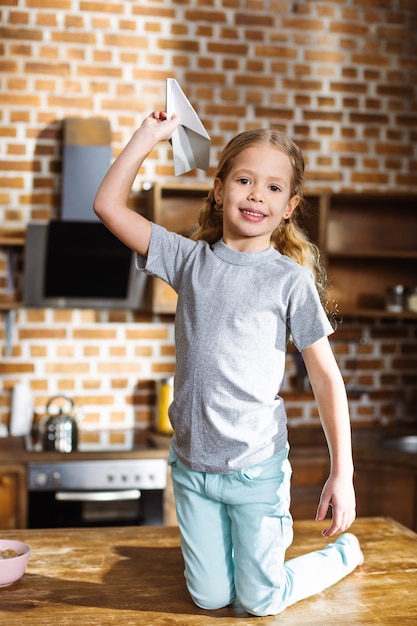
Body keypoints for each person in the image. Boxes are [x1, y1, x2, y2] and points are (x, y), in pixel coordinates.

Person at [94, 110, 364, 617]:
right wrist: (148, 137)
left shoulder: (289, 281)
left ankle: (341, 555)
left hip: (255, 469)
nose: (256, 194)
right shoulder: (188, 260)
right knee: (211, 598)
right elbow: (108, 206)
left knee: (259, 603)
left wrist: (342, 473)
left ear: (289, 207)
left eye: (272, 187)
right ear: (219, 190)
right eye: (244, 180)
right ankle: (244, 566)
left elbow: (327, 378)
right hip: (193, 467)